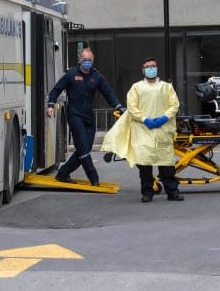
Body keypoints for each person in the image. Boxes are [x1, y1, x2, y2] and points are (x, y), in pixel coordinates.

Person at [100, 57, 183, 202]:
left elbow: (174, 105)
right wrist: (145, 119)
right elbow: (132, 107)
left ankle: (173, 191)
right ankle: (147, 192)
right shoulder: (136, 88)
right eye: (148, 66)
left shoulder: (166, 87)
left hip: (162, 131)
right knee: (144, 165)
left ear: (157, 68)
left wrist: (164, 117)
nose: (151, 69)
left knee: (166, 164)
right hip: (143, 130)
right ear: (143, 70)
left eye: (153, 66)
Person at [46, 48, 125, 186]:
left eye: (89, 60)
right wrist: (51, 104)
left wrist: (118, 106)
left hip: (89, 117)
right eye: (84, 59)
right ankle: (94, 178)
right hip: (75, 115)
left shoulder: (96, 76)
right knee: (82, 147)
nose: (87, 62)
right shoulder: (71, 74)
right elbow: (56, 89)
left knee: (85, 149)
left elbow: (108, 93)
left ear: (92, 61)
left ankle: (63, 174)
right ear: (79, 60)